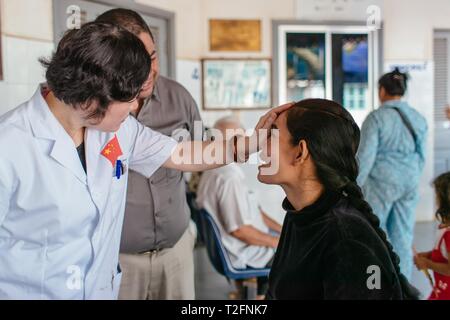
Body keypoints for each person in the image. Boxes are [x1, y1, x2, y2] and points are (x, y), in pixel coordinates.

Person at [0, 21, 289, 299]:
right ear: (89, 98)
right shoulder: (10, 146)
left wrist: (253, 141)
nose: (136, 106)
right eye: (129, 100)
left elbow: (182, 153)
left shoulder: (117, 129)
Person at [257, 98, 419, 299]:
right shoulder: (301, 215)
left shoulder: (348, 239)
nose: (259, 143)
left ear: (300, 152)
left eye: (271, 134)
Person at [95, 9, 201, 300]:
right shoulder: (94, 112)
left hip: (176, 253)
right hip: (119, 260)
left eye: (152, 57)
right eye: (135, 63)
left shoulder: (181, 98)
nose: (148, 71)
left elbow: (201, 149)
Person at [196, 116, 282, 299]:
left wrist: (283, 232)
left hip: (241, 248)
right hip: (244, 254)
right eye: (240, 140)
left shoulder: (214, 170)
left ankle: (261, 293)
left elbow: (256, 212)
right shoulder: (228, 177)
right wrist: (278, 242)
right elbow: (240, 231)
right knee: (299, 256)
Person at [357, 68, 428, 279]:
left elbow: (365, 156)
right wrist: (412, 177)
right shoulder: (418, 118)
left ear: (381, 91)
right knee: (403, 237)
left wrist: (354, 187)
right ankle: (402, 285)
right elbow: (422, 155)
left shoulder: (376, 118)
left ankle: (375, 284)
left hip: (381, 183)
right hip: (410, 181)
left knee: (374, 235)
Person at [414, 172, 450, 300]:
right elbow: (445, 253)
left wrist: (427, 264)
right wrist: (429, 255)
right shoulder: (445, 229)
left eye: (437, 196)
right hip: (440, 290)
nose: (435, 200)